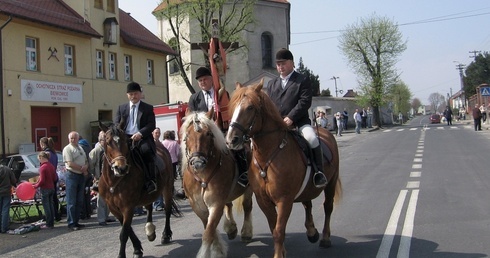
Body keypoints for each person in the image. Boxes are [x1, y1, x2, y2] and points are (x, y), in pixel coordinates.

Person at [266, 48, 327, 188]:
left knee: (311, 138)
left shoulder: (302, 79)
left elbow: (305, 101)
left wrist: (291, 118)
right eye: (278, 64)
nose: (280, 67)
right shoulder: (272, 84)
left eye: (283, 63)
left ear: (292, 63)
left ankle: (319, 172)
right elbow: (269, 105)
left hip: (299, 122)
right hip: (278, 125)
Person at [188, 67, 249, 187]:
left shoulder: (221, 93)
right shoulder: (194, 98)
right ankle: (187, 183)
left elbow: (229, 112)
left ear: (211, 80)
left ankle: (243, 174)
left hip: (222, 130)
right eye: (200, 81)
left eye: (205, 79)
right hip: (203, 133)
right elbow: (192, 116)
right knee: (187, 151)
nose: (203, 82)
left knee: (237, 147)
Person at [115, 82, 157, 194]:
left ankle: (150, 180)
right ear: (127, 95)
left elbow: (151, 125)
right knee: (107, 152)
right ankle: (102, 180)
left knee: (146, 151)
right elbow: (116, 123)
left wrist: (140, 133)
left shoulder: (147, 108)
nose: (133, 96)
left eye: (136, 93)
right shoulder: (121, 108)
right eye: (131, 94)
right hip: (125, 138)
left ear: (140, 94)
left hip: (141, 138)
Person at [62, 131, 88, 231]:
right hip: (72, 175)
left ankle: (77, 221)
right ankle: (71, 223)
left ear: (78, 138)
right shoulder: (67, 149)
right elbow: (70, 163)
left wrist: (86, 167)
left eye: (74, 138)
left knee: (79, 200)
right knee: (71, 201)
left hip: (81, 176)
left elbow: (85, 160)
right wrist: (82, 168)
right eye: (71, 138)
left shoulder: (80, 148)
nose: (73, 140)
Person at [89, 131, 116, 226]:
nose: (106, 141)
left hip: (109, 178)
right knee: (101, 199)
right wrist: (95, 176)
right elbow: (91, 165)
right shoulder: (96, 151)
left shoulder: (109, 149)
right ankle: (101, 219)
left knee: (108, 198)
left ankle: (107, 216)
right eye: (104, 139)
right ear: (100, 140)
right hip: (100, 178)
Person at [32, 151, 57, 229]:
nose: (39, 161)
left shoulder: (42, 167)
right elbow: (55, 178)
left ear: (41, 158)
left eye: (39, 159)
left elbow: (42, 180)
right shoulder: (51, 166)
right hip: (52, 187)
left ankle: (48, 223)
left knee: (47, 207)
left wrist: (35, 186)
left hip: (45, 188)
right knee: (51, 205)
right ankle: (52, 222)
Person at [39, 137, 61, 222]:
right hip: (54, 176)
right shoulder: (54, 153)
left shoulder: (46, 154)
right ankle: (56, 215)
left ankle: (50, 218)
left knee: (48, 201)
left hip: (48, 178)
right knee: (54, 198)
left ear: (43, 144)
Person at [78, 137, 93, 220]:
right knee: (87, 194)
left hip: (83, 172)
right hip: (89, 172)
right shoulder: (88, 146)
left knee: (82, 194)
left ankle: (83, 213)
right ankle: (88, 212)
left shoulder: (80, 147)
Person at [152, 127, 165, 211]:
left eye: (158, 132)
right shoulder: (152, 143)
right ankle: (157, 204)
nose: (157, 134)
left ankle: (160, 203)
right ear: (153, 133)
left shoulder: (160, 143)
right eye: (156, 132)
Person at [0, 165, 16, 233]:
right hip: (6, 191)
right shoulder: (7, 169)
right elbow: (13, 180)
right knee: (5, 210)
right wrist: (14, 185)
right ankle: (4, 227)